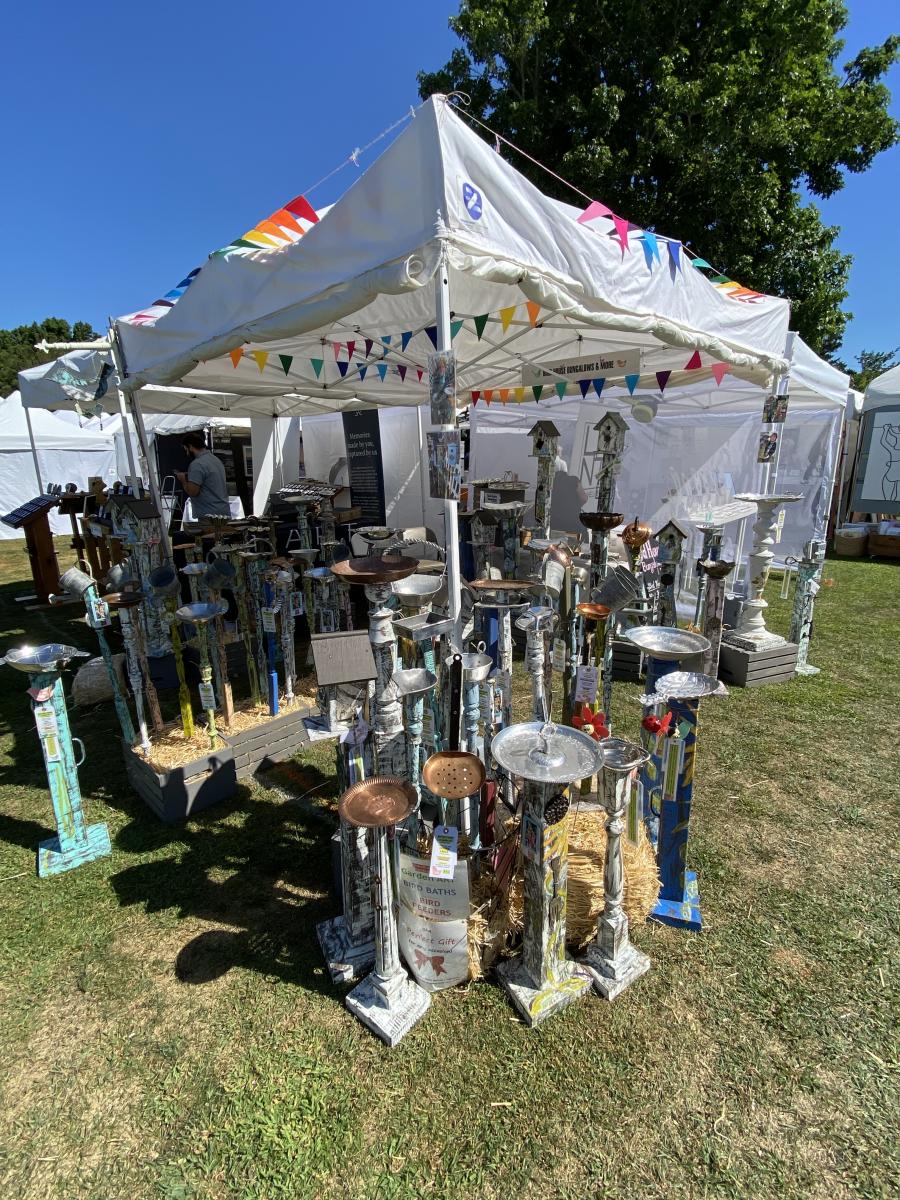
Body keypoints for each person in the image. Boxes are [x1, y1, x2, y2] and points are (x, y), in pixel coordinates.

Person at [175, 432, 230, 519]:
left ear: (191, 447)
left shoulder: (197, 464)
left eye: (186, 449)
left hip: (209, 515)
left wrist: (183, 480)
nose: (187, 453)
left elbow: (193, 492)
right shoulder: (215, 460)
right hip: (223, 512)